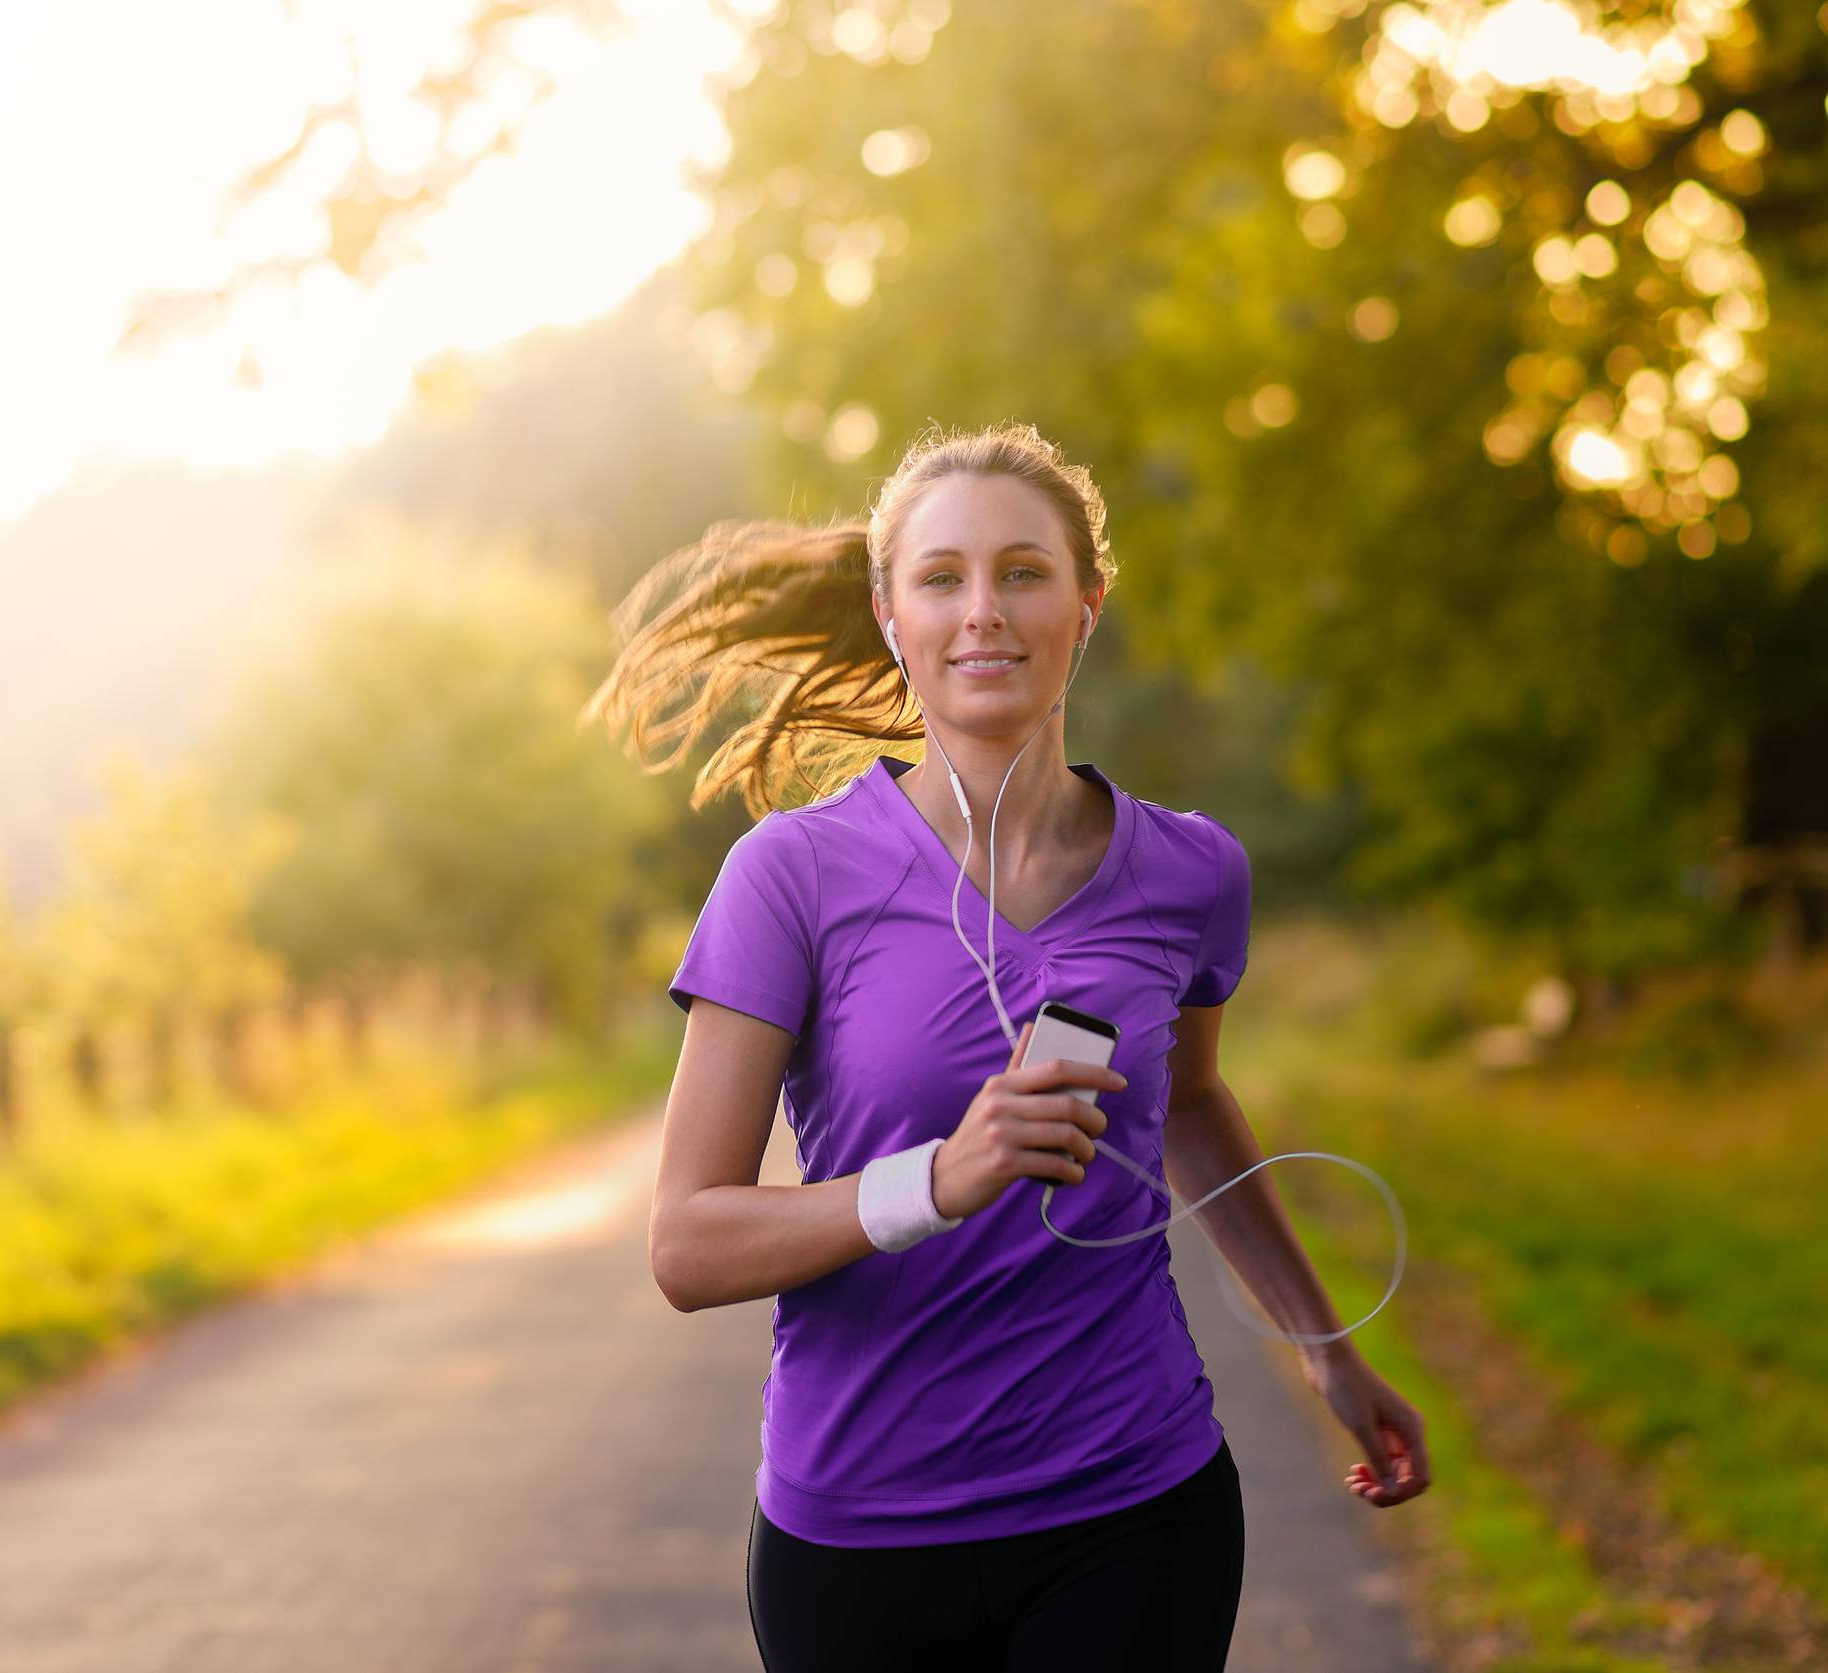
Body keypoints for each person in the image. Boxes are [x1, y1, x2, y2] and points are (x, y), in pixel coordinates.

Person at [581, 420, 1431, 1671]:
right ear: (891, 615)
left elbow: (1188, 1106)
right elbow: (687, 1241)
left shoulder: (1192, 869)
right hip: (860, 1533)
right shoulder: (792, 876)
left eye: (1024, 571)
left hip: (1134, 1504)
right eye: (943, 577)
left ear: (1085, 606)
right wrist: (938, 1178)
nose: (984, 610)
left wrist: (1326, 1349)